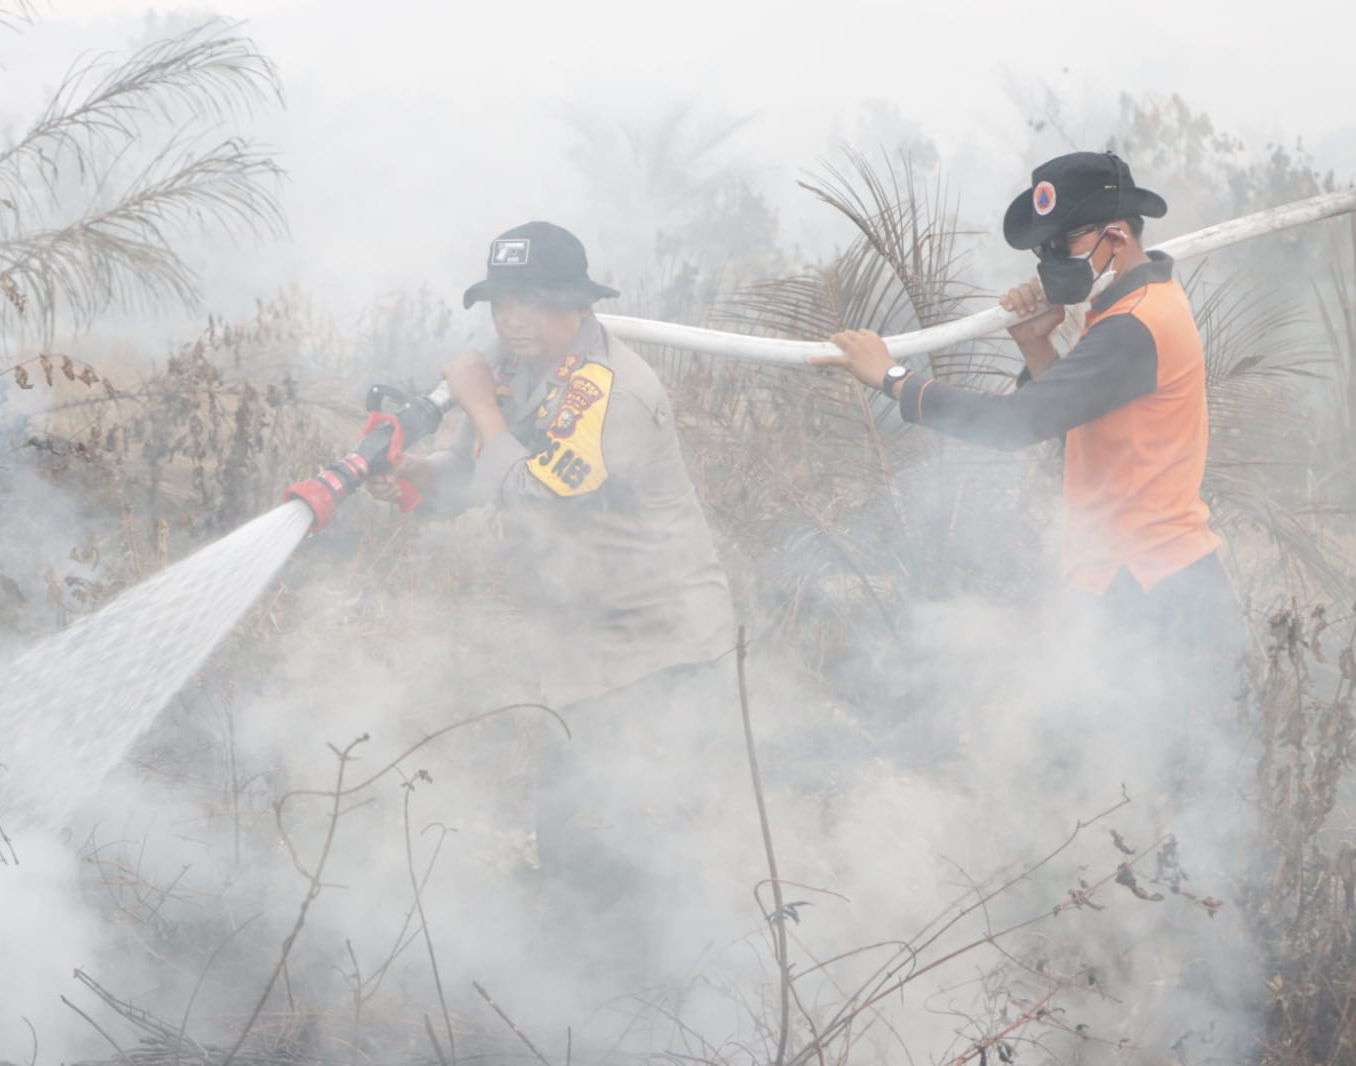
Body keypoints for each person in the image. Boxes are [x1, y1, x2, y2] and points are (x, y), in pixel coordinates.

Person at [368, 220, 739, 985]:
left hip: (655, 650)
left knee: (624, 845)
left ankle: (662, 1007)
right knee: (577, 840)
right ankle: (590, 996)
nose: (513, 322)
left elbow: (541, 494)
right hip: (590, 647)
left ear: (576, 305)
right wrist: (426, 474)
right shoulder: (535, 369)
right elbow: (489, 469)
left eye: (533, 304)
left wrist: (480, 410)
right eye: (502, 304)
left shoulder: (613, 389)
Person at [828, 151, 1239, 662]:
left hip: (1154, 592)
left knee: (1144, 742)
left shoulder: (1133, 326)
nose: (1051, 261)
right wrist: (1035, 346)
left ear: (1116, 236)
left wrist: (892, 378)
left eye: (1064, 244)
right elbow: (1086, 430)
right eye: (1044, 249)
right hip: (1137, 583)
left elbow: (1012, 425)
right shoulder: (1131, 307)